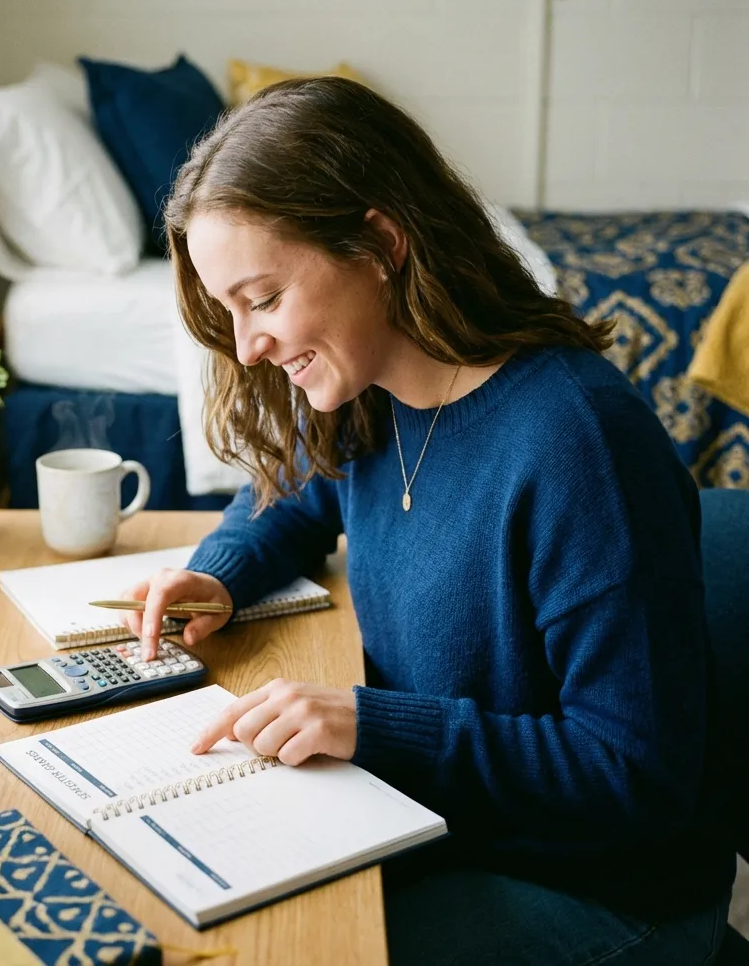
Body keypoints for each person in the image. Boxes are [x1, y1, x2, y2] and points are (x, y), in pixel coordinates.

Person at [119, 77, 735, 963]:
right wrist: (221, 572)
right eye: (229, 311)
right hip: (439, 824)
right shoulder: (370, 392)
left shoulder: (578, 445)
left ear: (378, 243)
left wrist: (373, 723)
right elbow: (299, 491)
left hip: (602, 890)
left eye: (262, 299)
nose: (247, 344)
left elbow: (635, 774)